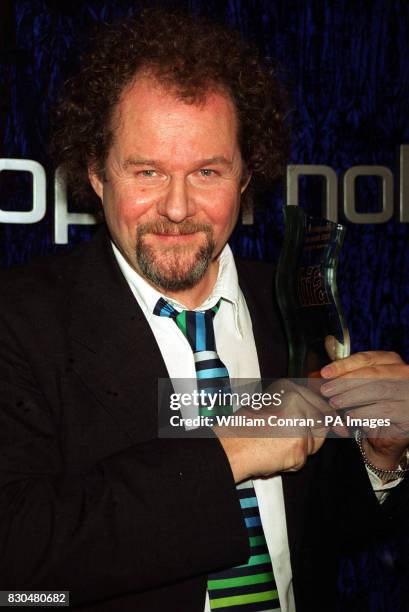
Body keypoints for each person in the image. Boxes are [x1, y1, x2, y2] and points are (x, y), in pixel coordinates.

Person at [1, 8, 408, 612]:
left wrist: (382, 457)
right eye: (147, 171)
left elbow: (316, 529)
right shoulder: (19, 320)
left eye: (207, 172)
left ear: (246, 177)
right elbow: (19, 563)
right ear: (96, 173)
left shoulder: (294, 303)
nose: (176, 207)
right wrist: (231, 452)